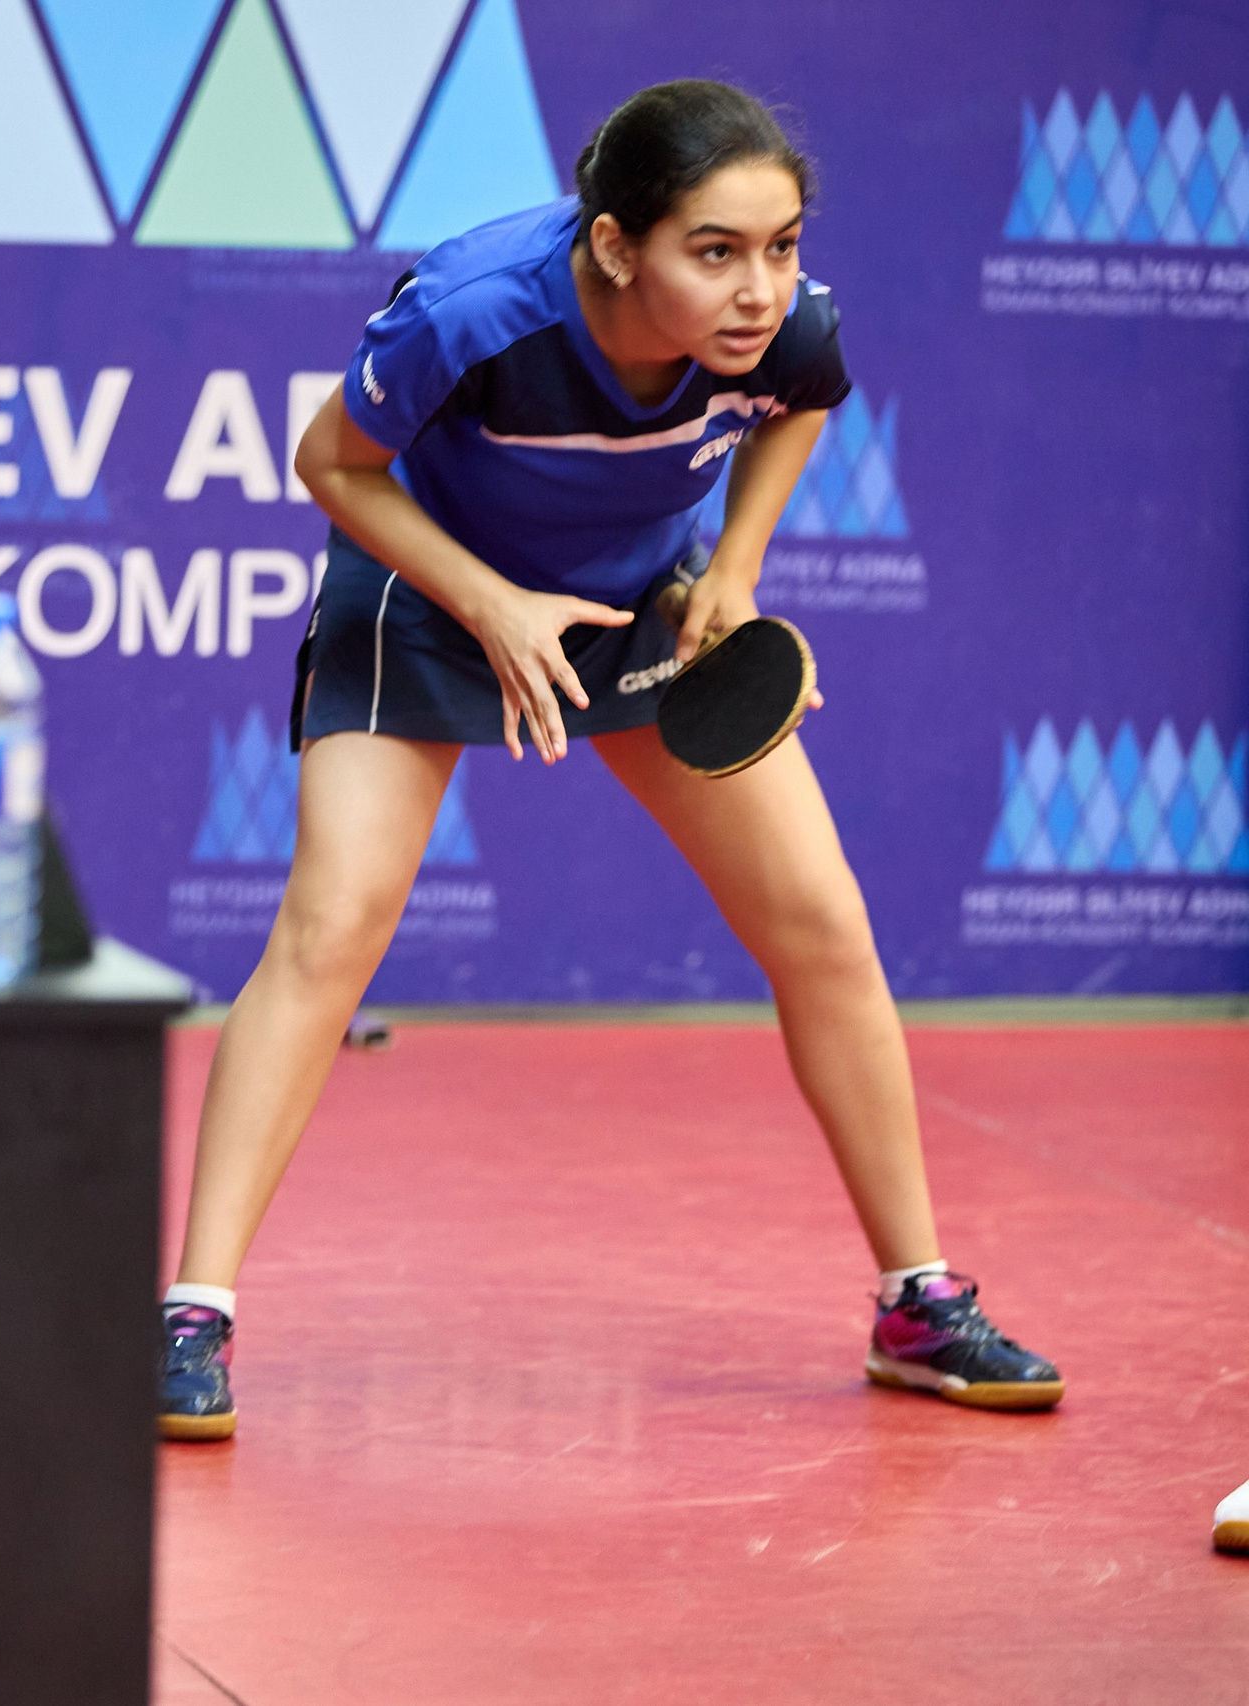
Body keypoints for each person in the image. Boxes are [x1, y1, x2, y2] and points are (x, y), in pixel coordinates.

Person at [159, 80, 1061, 1442]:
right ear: (615, 245)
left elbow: (804, 398)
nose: (760, 288)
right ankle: (193, 1313)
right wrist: (491, 604)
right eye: (717, 250)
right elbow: (334, 465)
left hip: (640, 600)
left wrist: (737, 569)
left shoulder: (787, 324)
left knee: (821, 923)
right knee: (331, 927)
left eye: (783, 245)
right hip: (432, 590)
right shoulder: (475, 311)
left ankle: (915, 1302)